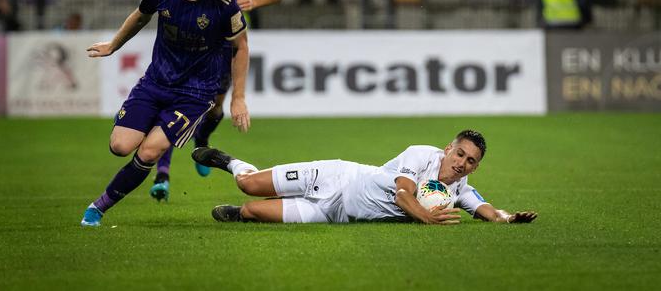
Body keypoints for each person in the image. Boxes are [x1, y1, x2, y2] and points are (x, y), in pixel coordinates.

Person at [118, 0, 284, 202]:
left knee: (214, 108)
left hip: (225, 31)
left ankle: (201, 141)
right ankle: (162, 173)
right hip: (190, 24)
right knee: (174, 93)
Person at [80, 0, 250, 227]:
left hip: (195, 93)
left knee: (149, 151)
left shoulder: (226, 5)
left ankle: (97, 208)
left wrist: (237, 98)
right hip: (155, 83)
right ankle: (153, 129)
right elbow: (139, 17)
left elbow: (241, 46)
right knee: (120, 146)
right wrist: (114, 45)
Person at [193, 130, 538, 225]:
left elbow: (487, 211)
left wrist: (509, 218)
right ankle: (230, 161)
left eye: (471, 161)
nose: (462, 163)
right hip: (333, 177)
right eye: (460, 153)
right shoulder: (421, 155)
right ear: (448, 148)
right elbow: (404, 195)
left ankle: (239, 214)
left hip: (335, 213)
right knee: (249, 185)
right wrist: (428, 218)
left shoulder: (460, 188)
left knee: (251, 212)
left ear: (475, 167)